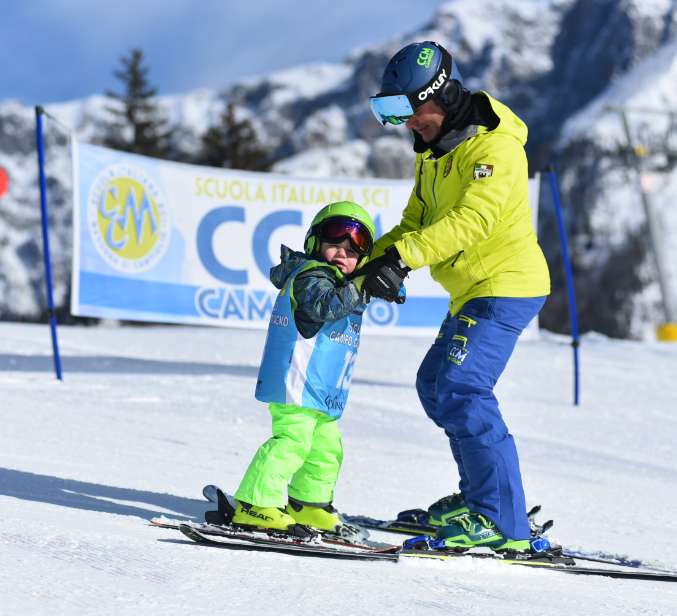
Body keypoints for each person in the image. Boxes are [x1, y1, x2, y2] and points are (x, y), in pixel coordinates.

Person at [359, 41, 551, 553]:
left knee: (463, 389)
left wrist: (402, 261)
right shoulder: (433, 152)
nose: (403, 124)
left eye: (406, 109)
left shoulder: (495, 148)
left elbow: (473, 220)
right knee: (435, 385)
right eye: (389, 112)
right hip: (472, 291)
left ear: (437, 96)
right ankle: (479, 498)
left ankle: (501, 519)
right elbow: (414, 223)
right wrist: (364, 262)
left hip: (506, 287)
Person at [232, 201, 376, 536]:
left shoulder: (343, 284)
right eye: (333, 245)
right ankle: (255, 503)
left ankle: (308, 504)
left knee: (326, 450)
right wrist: (364, 285)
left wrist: (385, 278)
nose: (341, 254)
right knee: (292, 442)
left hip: (322, 391)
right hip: (295, 382)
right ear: (314, 244)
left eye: (353, 250)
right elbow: (324, 304)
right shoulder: (312, 276)